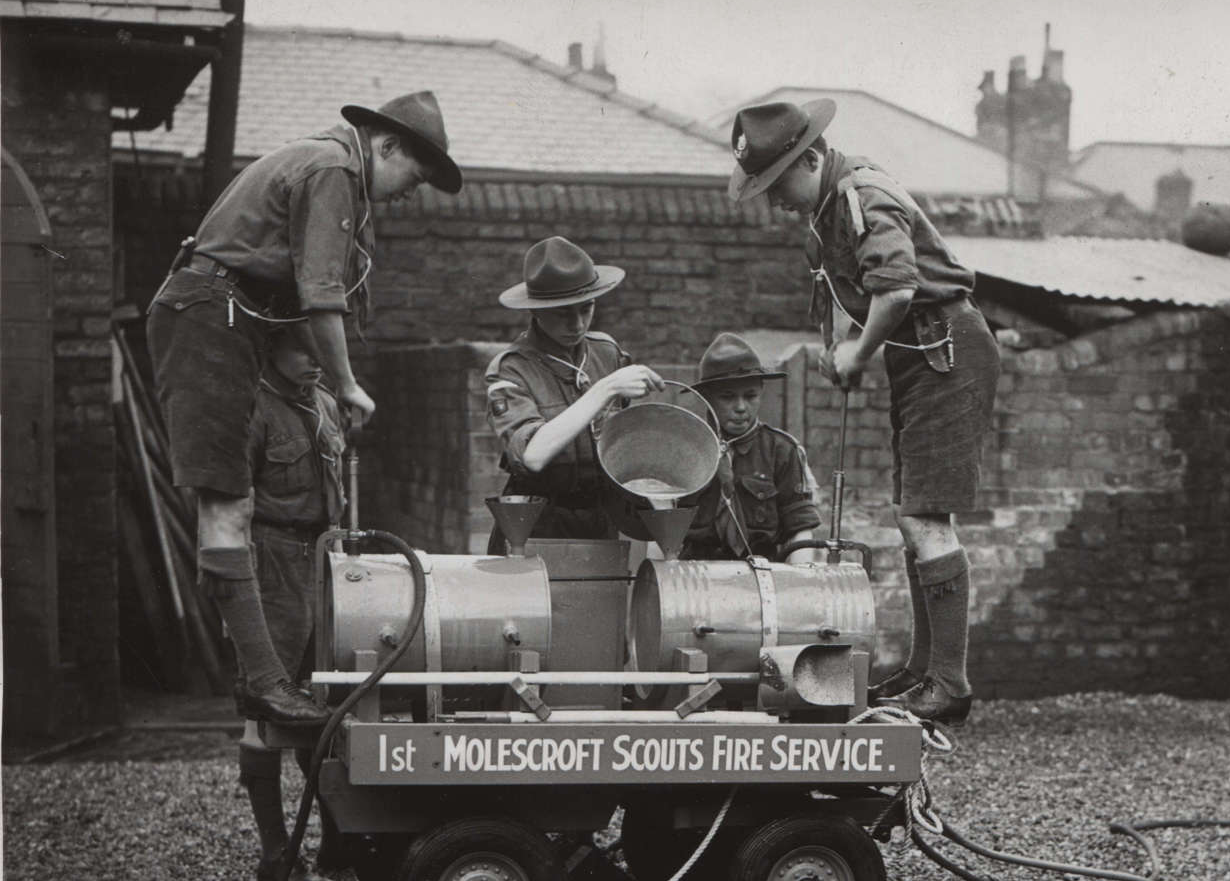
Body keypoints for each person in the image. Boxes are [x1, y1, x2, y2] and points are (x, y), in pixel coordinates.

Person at [147, 92, 463, 725]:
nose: (411, 192)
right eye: (414, 176)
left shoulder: (332, 168)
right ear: (387, 145)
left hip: (225, 316)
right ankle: (264, 682)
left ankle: (260, 679)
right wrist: (346, 385)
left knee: (228, 507)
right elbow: (321, 296)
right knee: (227, 506)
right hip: (210, 317)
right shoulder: (334, 171)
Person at [726, 99, 1000, 727]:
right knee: (915, 518)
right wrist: (832, 350)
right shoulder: (824, 217)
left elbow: (898, 289)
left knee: (927, 519)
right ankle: (925, 671)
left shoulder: (862, 194)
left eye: (779, 185)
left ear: (814, 159)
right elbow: (831, 297)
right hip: (920, 352)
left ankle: (949, 685)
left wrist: (858, 353)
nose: (775, 203)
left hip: (947, 345)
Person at [237, 328, 346, 881]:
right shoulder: (250, 408)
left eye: (319, 348)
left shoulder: (324, 403)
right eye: (302, 349)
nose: (315, 359)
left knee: (321, 700)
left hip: (322, 559)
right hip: (272, 559)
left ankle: (337, 839)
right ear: (270, 349)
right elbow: (231, 506)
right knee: (266, 706)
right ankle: (276, 857)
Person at [484, 237, 664, 552]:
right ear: (535, 311)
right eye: (562, 313)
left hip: (601, 520)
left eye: (586, 308)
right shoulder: (511, 369)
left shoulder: (606, 352)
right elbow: (534, 456)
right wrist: (605, 387)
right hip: (537, 522)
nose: (577, 323)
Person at [679, 332, 821, 562]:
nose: (741, 407)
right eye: (727, 397)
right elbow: (662, 530)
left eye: (751, 396)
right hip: (696, 574)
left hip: (762, 574)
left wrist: (799, 583)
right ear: (706, 398)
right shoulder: (684, 450)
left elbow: (799, 530)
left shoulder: (782, 451)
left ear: (762, 392)